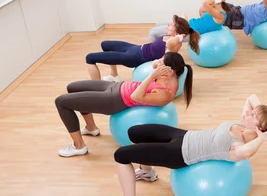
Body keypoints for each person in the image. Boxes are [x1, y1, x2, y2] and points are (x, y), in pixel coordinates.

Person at [103, 94, 267, 196]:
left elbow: (249, 152)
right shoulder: (245, 125)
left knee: (121, 155)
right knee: (134, 132)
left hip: (180, 154)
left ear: (258, 128)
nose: (247, 113)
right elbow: (252, 97)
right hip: (184, 136)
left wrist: (263, 137)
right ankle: (146, 171)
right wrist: (262, 117)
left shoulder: (240, 147)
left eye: (252, 116)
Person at [55, 52, 193, 158]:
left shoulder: (166, 94)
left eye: (161, 63)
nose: (157, 64)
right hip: (116, 86)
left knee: (61, 102)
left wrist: (151, 75)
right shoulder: (166, 75)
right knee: (72, 87)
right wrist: (159, 65)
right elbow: (154, 64)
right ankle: (91, 128)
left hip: (114, 100)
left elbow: (136, 96)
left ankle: (79, 146)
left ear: (170, 71)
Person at [148, 0, 267, 40]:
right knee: (161, 25)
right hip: (237, 10)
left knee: (154, 32)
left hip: (239, 17)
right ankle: (166, 28)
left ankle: (156, 48)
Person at [87, 16, 197, 82]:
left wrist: (181, 36)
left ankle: (97, 88)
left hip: (133, 57)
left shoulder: (173, 43)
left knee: (90, 58)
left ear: (177, 32)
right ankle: (114, 76)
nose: (168, 25)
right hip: (135, 48)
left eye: (171, 25)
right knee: (105, 44)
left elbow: (172, 42)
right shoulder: (173, 38)